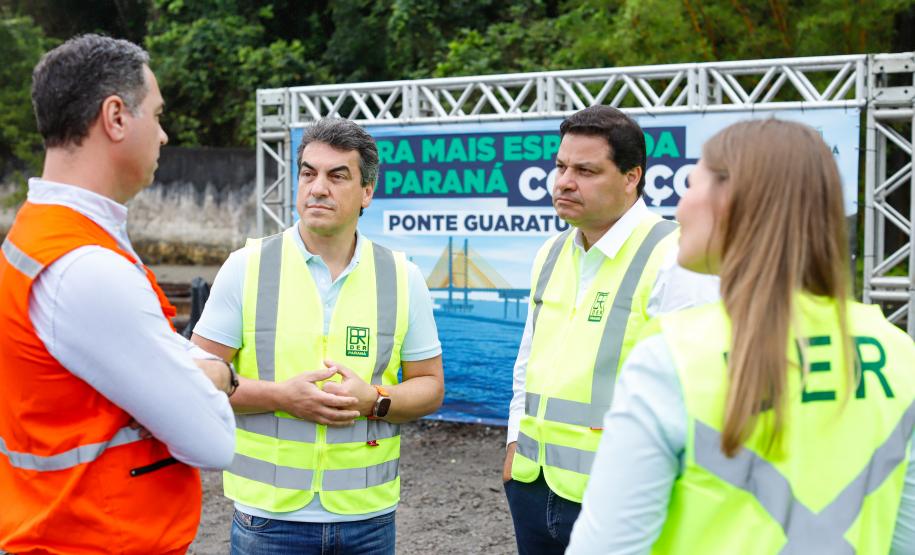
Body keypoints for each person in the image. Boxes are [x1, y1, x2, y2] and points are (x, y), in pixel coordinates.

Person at [567, 119, 915, 554]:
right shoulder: (898, 352)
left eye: (692, 185)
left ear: (732, 203)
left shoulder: (672, 358)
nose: (679, 209)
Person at [0, 34, 236, 554]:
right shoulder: (85, 267)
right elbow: (213, 441)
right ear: (116, 117)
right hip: (97, 539)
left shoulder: (39, 237)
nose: (166, 135)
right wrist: (218, 374)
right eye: (156, 114)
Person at [191, 117, 445, 554]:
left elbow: (431, 387)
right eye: (308, 173)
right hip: (268, 519)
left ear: (367, 192)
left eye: (337, 175)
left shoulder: (403, 277)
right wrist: (281, 396)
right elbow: (195, 378)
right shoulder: (246, 267)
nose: (318, 187)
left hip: (368, 519)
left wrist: (375, 400)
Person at [502, 105, 719, 553]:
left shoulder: (676, 258)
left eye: (585, 170)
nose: (564, 181)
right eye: (561, 166)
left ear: (631, 176)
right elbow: (529, 361)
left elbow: (700, 394)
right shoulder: (552, 252)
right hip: (532, 484)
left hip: (621, 496)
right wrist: (512, 445)